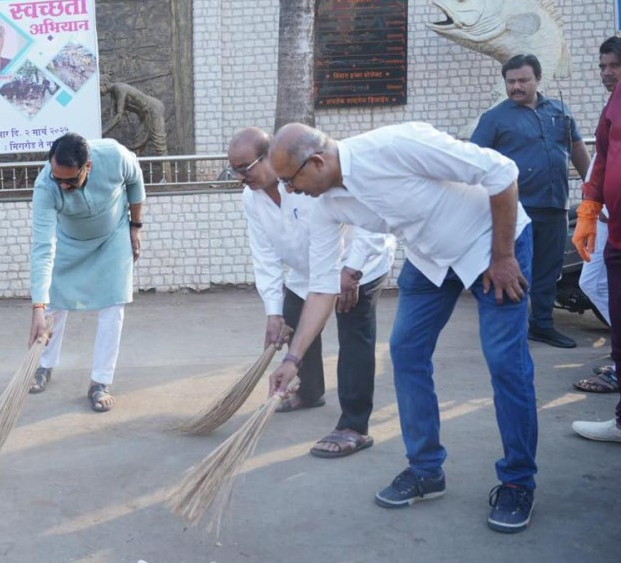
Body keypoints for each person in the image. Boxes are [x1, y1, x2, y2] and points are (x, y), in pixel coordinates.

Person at [266, 122, 538, 534]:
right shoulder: (324, 204)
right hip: (432, 259)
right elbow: (322, 287)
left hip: (492, 245)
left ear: (317, 161)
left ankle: (518, 481)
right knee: (406, 354)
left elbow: (502, 173)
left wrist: (502, 256)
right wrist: (293, 359)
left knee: (505, 361)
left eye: (291, 180)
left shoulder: (397, 144)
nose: (289, 191)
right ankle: (426, 470)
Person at [228, 127, 395, 458]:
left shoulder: (310, 180)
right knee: (293, 317)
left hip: (359, 263)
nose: (240, 177)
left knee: (353, 335)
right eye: (235, 170)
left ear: (270, 158)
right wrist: (272, 312)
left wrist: (353, 269)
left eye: (245, 168)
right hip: (310, 271)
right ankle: (310, 391)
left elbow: (369, 219)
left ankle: (354, 425)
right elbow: (265, 255)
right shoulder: (252, 198)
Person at [471, 54, 590, 349]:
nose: (516, 87)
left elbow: (576, 148)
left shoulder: (560, 111)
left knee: (549, 269)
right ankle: (509, 330)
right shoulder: (494, 118)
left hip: (554, 205)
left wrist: (592, 186)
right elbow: (472, 161)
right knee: (515, 270)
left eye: (523, 80)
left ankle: (542, 325)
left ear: (538, 79)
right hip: (514, 210)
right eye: (510, 81)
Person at [28, 133, 145, 413]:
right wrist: (37, 307)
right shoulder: (46, 186)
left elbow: (136, 179)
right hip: (69, 242)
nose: (63, 186)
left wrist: (135, 227)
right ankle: (43, 365)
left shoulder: (114, 155)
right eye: (58, 179)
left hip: (112, 237)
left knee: (113, 306)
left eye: (70, 180)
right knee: (54, 305)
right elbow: (43, 247)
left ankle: (100, 382)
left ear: (87, 167)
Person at [573, 36, 621, 395]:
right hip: (612, 226)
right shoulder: (612, 107)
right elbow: (602, 158)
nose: (607, 73)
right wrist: (591, 209)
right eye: (603, 66)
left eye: (614, 65)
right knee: (596, 285)